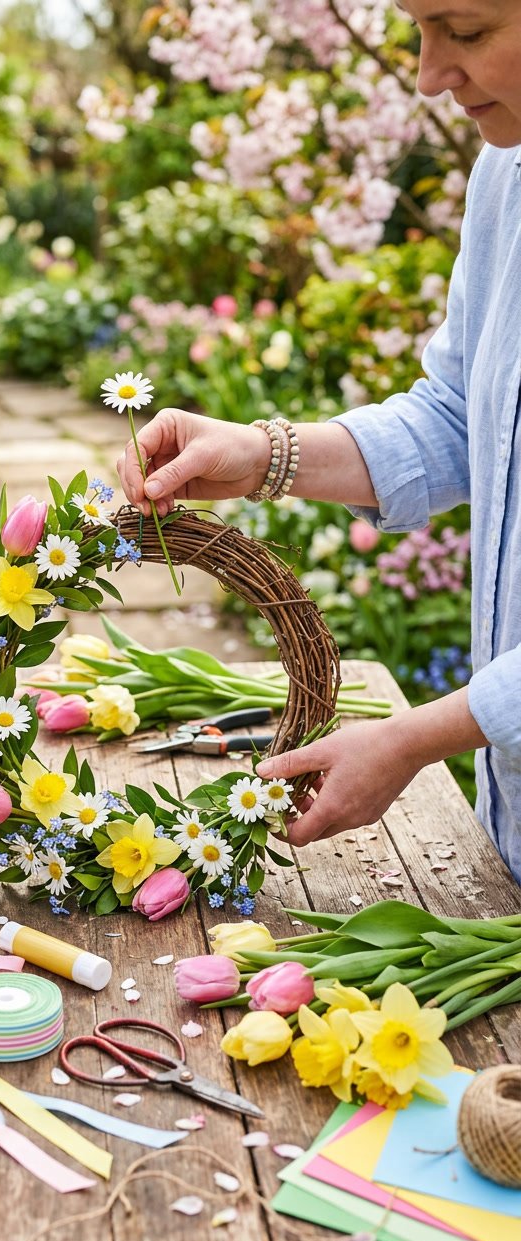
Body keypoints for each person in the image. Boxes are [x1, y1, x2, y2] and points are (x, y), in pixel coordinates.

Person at [117, 0, 521, 884]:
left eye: (468, 31)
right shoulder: (506, 178)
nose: (427, 75)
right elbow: (459, 415)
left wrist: (417, 737)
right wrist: (262, 454)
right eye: (417, 30)